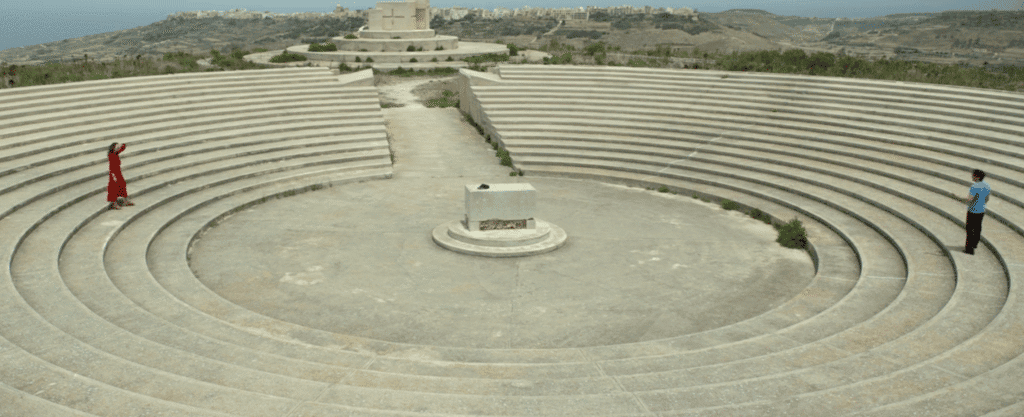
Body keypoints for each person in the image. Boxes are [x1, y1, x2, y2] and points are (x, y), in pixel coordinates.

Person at [962, 169, 990, 255]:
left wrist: (958, 198)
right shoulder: (987, 186)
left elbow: (970, 199)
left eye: (973, 175)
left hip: (972, 210)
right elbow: (986, 199)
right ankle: (974, 244)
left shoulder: (974, 186)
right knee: (977, 227)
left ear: (976, 177)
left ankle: (969, 249)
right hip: (981, 210)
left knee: (970, 229)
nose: (972, 177)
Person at [107, 142, 134, 210]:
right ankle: (114, 203)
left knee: (122, 185)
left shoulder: (116, 153)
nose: (118, 148)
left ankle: (125, 201)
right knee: (113, 189)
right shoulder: (111, 155)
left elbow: (123, 148)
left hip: (118, 172)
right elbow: (112, 167)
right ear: (113, 148)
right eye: (116, 147)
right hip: (114, 173)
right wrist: (114, 176)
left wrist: (121, 145)